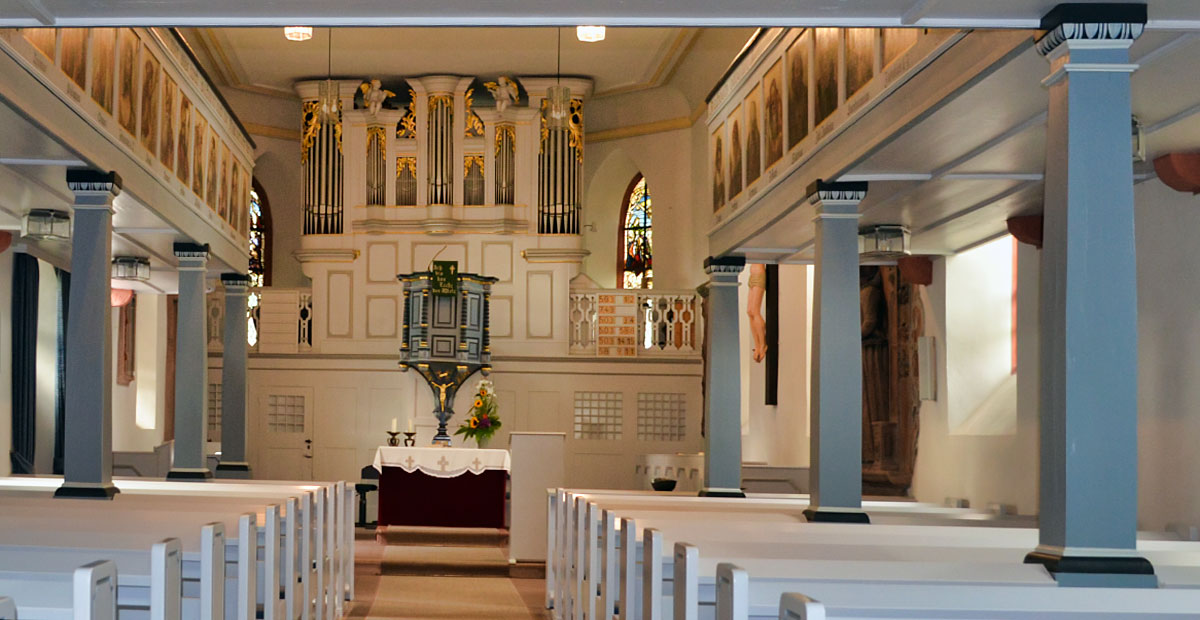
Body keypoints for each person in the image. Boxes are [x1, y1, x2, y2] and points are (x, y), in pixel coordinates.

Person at [747, 263, 767, 363]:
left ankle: (762, 345)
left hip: (759, 275)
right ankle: (757, 344)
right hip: (752, 275)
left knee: (755, 311)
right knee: (749, 312)